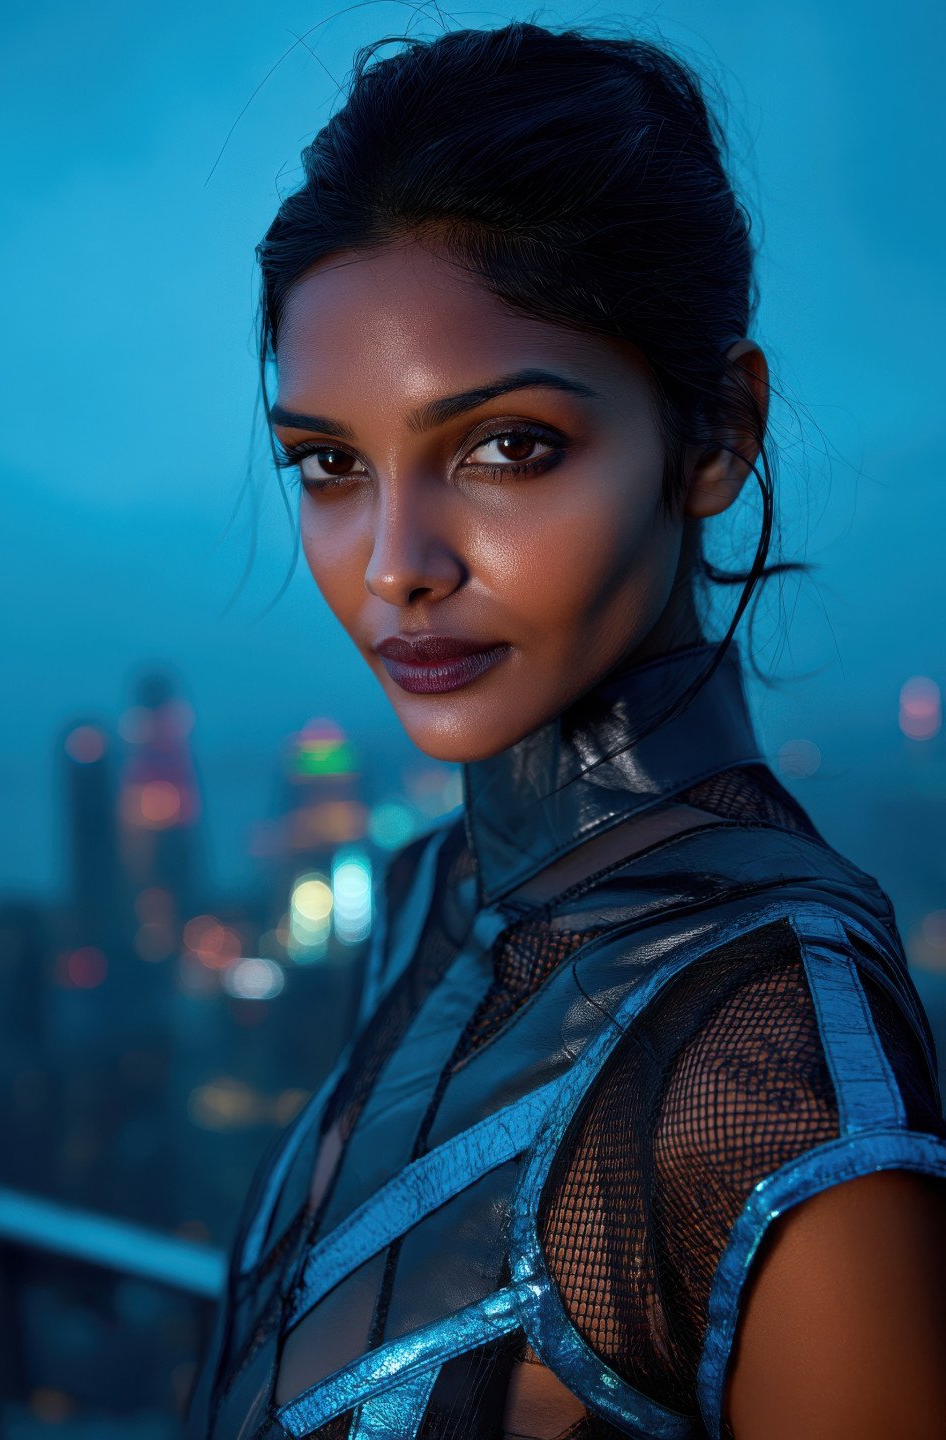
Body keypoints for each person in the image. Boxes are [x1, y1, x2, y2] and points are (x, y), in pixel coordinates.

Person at [186, 20, 946, 1440]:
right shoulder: (436, 900)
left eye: (507, 447)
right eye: (331, 463)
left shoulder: (771, 1039)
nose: (396, 566)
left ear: (715, 434)